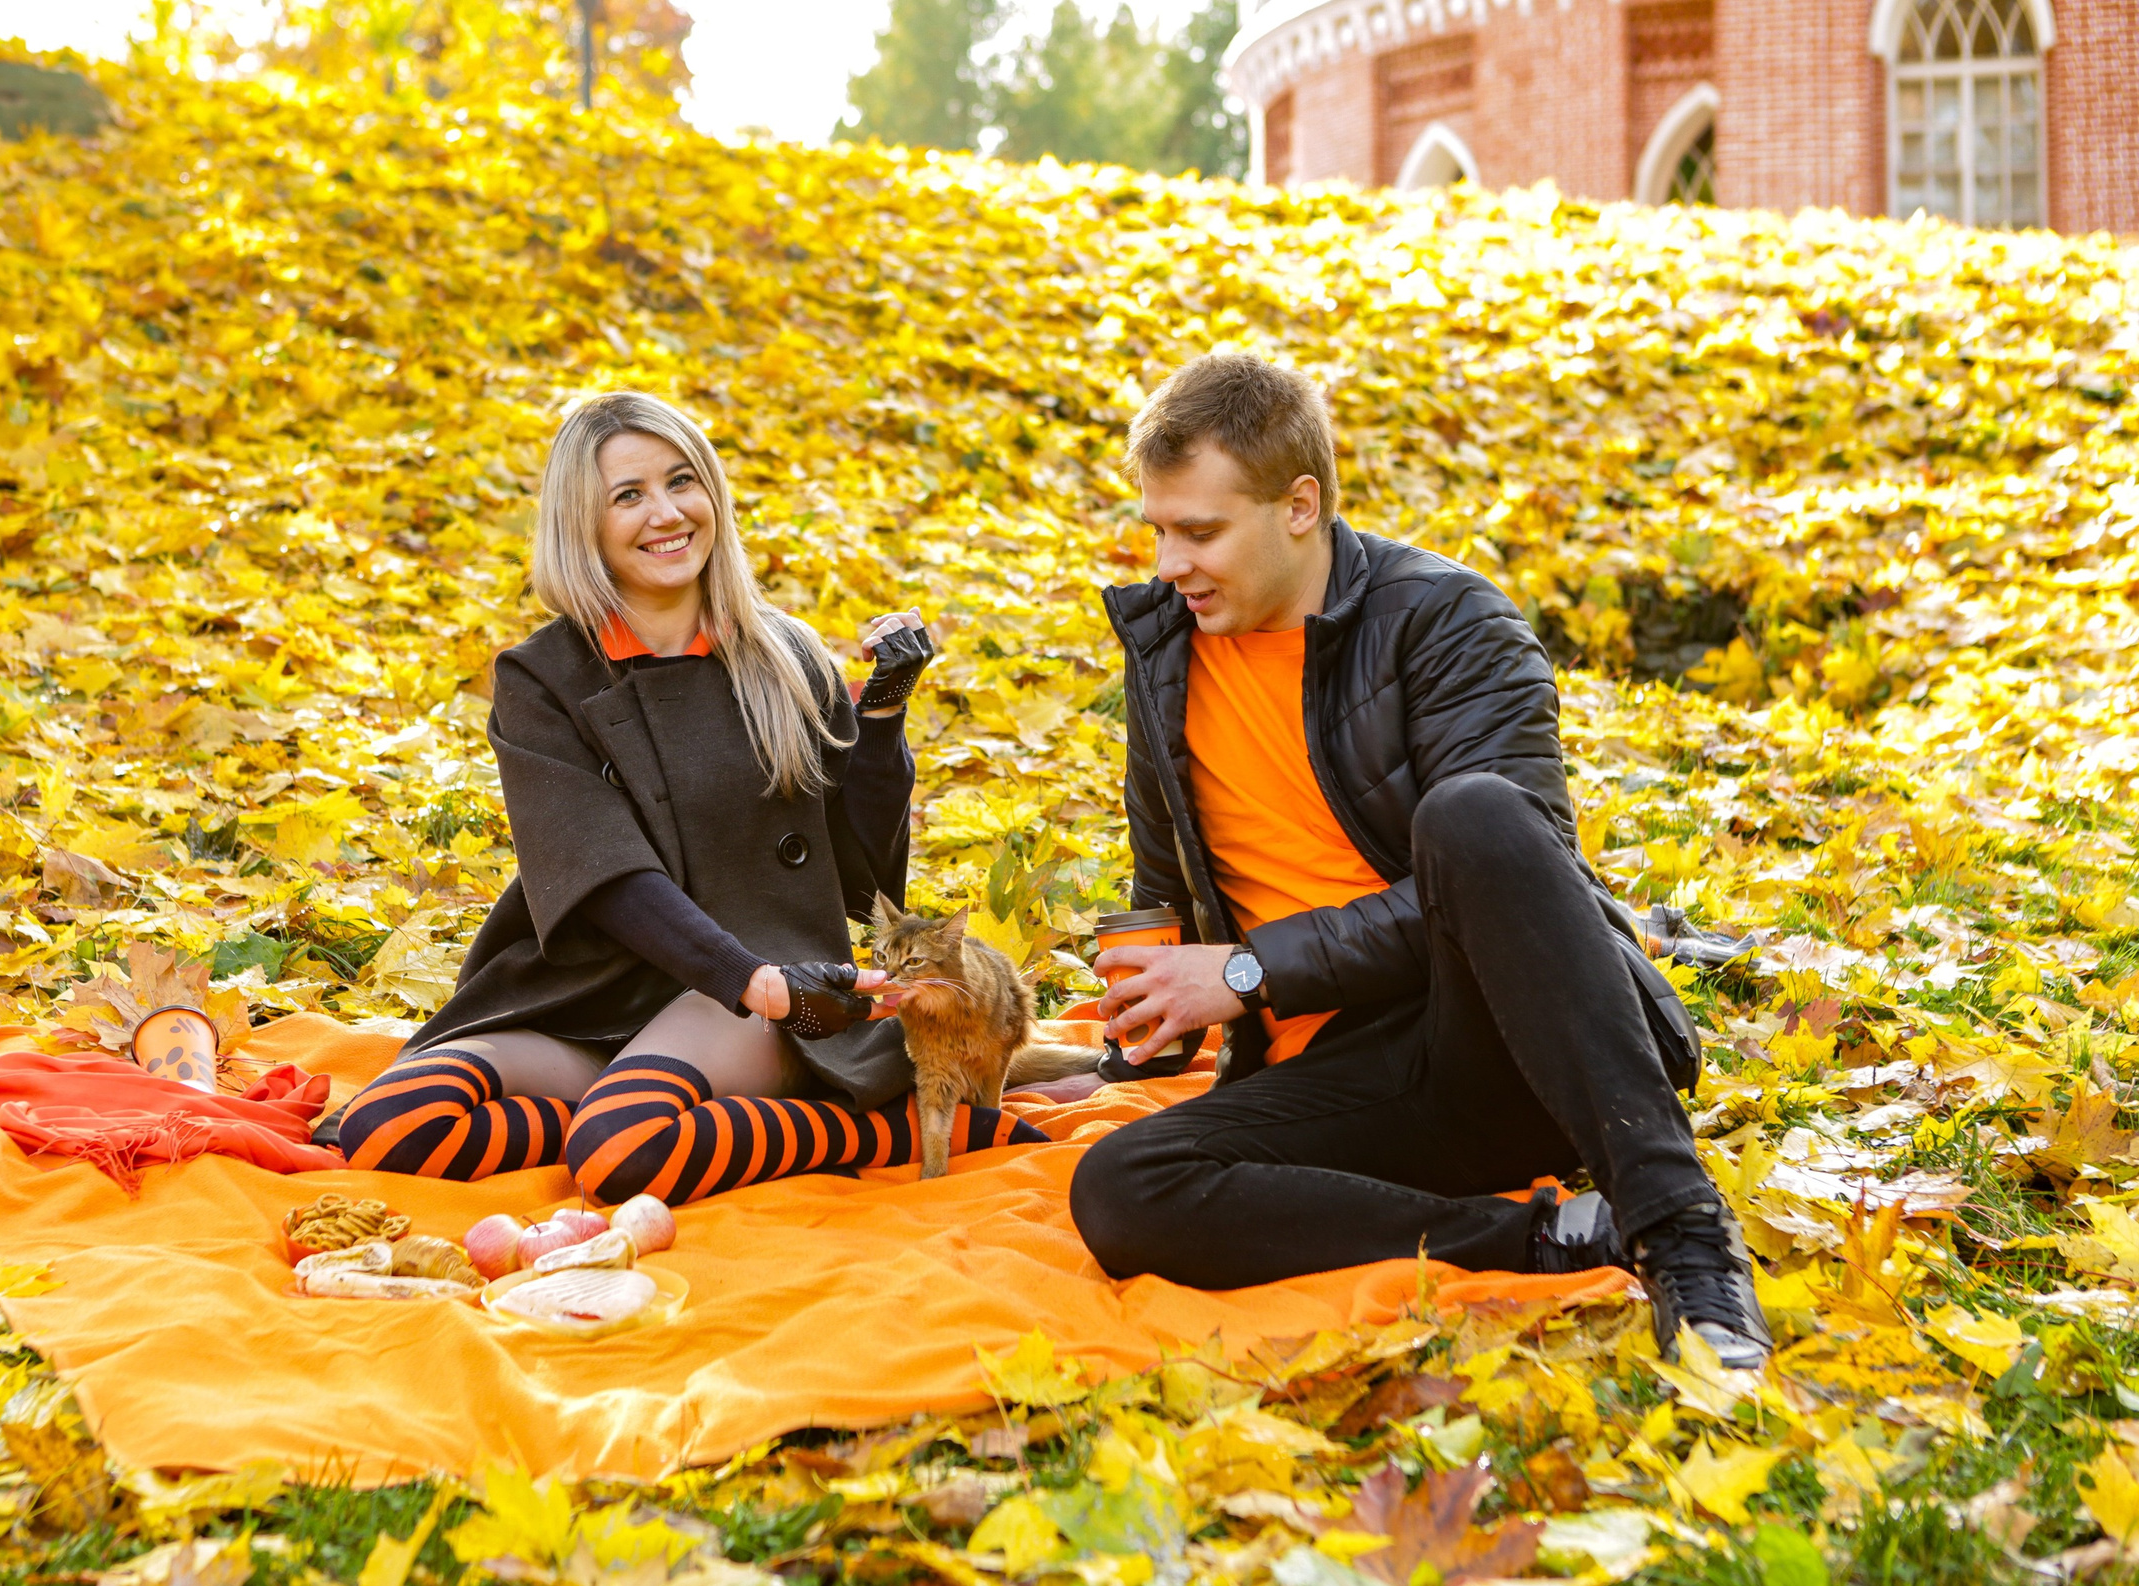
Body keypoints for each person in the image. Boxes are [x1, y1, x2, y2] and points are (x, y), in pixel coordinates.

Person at [1041, 354, 1770, 1369]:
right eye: (1157, 529)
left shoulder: (1446, 623)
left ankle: (1681, 1230)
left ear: (1299, 507)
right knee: (1120, 1187)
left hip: (1512, 1041)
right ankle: (1553, 1239)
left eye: (1199, 531)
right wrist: (1143, 1017)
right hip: (1345, 1083)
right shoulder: (1164, 642)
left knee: (1476, 814)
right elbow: (1163, 886)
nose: (1169, 563)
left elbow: (1516, 876)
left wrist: (1250, 973)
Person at [333, 392, 1034, 1203]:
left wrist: (881, 717)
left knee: (624, 1149)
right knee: (390, 1123)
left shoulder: (786, 658)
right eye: (628, 495)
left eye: (682, 481)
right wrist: (754, 981)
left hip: (753, 992)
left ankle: (889, 1127)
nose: (665, 513)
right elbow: (604, 872)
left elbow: (860, 874)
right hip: (601, 989)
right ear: (583, 523)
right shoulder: (543, 678)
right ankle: (646, 1103)